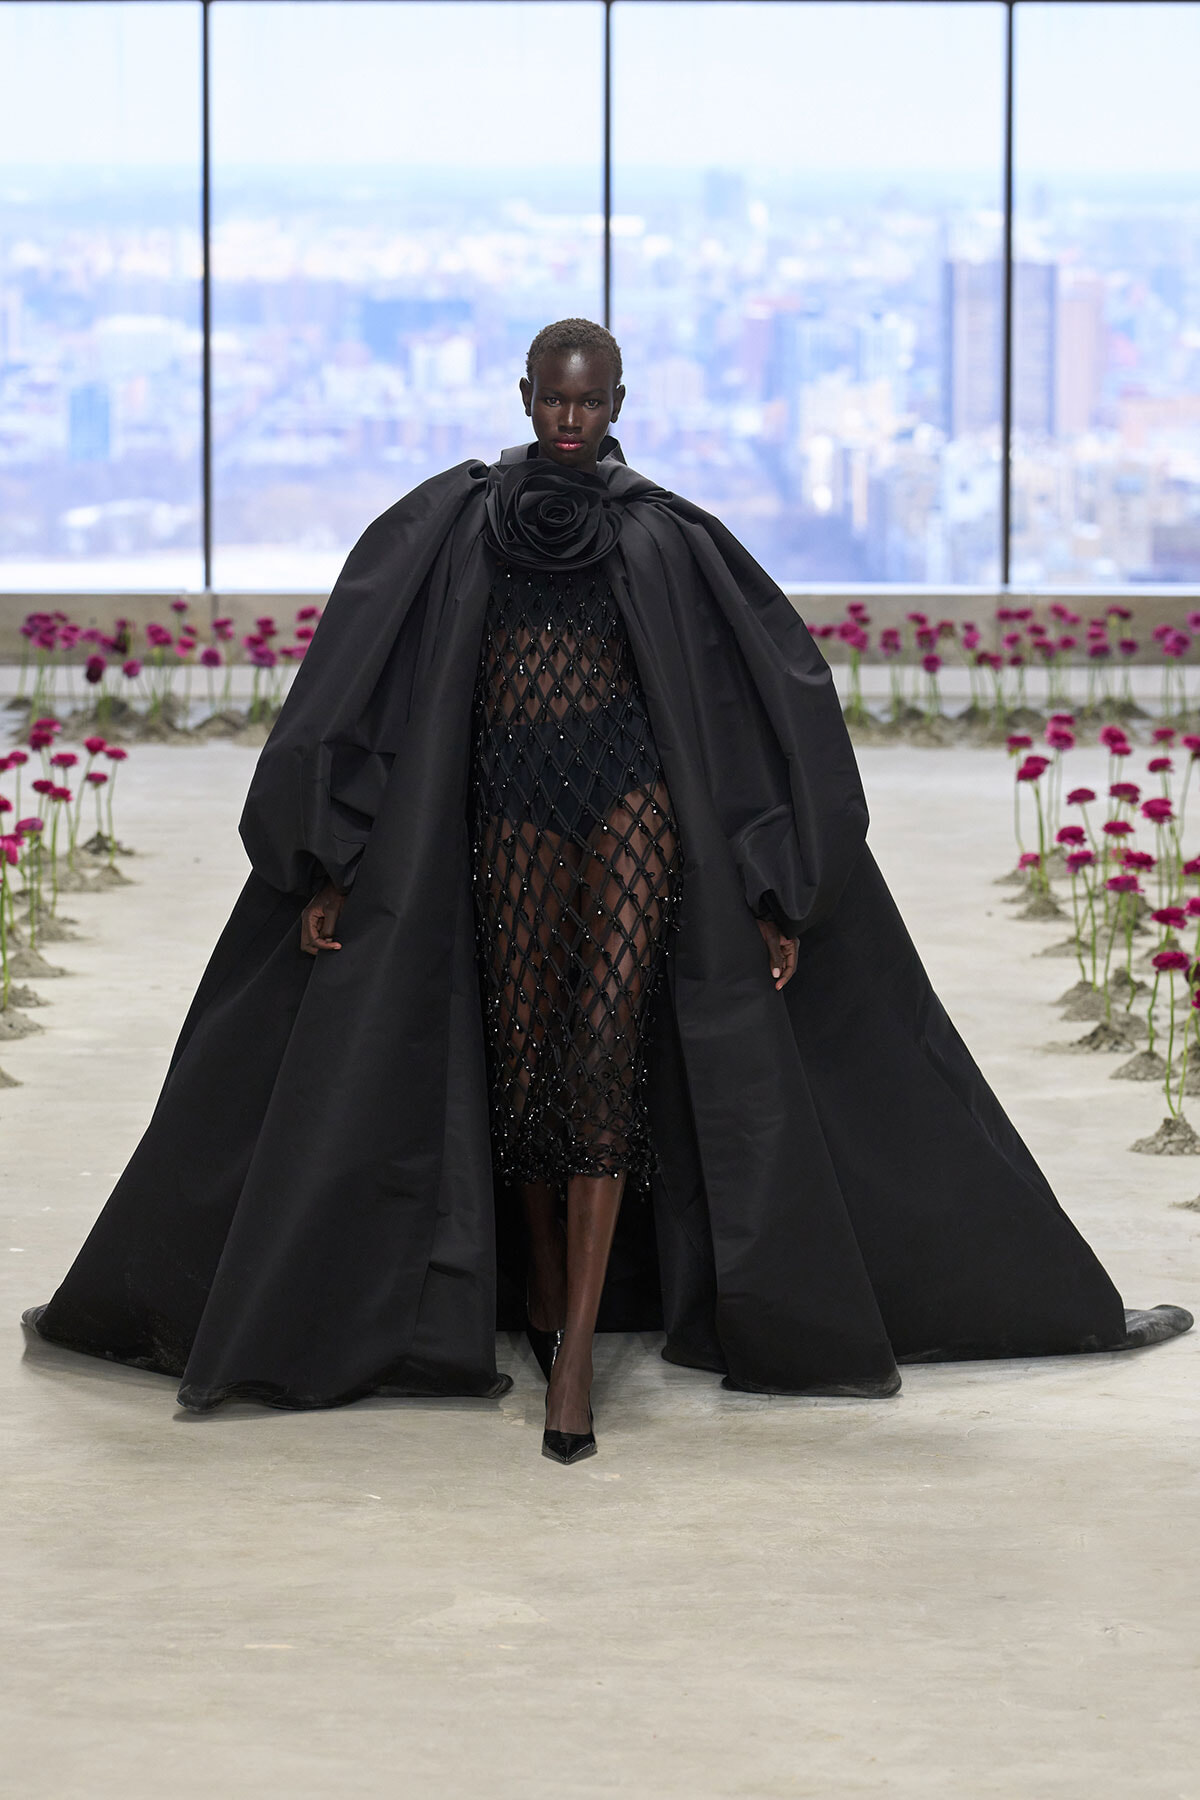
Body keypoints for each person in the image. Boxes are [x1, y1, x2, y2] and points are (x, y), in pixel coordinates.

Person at [23, 317, 1192, 1465]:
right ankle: (540, 1291)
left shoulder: (665, 538)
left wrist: (773, 890)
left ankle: (573, 1360)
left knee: (603, 1059)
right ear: (523, 395)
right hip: (509, 806)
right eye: (554, 397)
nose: (571, 418)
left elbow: (749, 705)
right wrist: (328, 863)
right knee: (526, 1055)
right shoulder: (456, 524)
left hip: (633, 806)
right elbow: (365, 689)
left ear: (620, 407)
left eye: (591, 400)